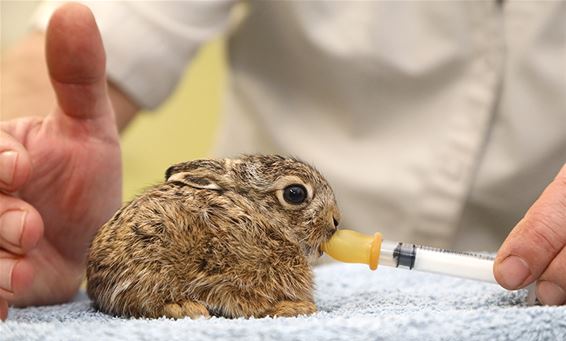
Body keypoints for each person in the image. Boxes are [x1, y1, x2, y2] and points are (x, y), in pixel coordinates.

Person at [0, 1, 564, 320]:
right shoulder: (230, 228)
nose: (332, 223)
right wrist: (24, 175)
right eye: (298, 198)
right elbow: (120, 25)